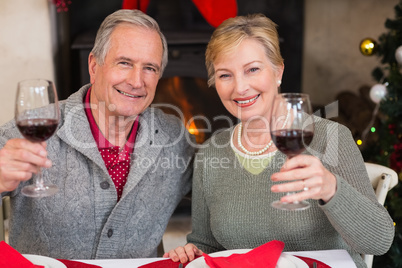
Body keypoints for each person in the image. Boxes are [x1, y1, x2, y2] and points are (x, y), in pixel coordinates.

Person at [163, 14, 394, 267]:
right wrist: (190, 252)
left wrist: (331, 189)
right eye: (225, 75)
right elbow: (208, 246)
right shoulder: (211, 153)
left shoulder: (330, 138)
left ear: (278, 71)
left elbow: (379, 242)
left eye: (252, 69)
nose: (240, 88)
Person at [0, 9, 195, 259]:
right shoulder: (33, 129)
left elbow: (220, 188)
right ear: (94, 66)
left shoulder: (174, 137)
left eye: (150, 68)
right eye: (124, 63)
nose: (137, 81)